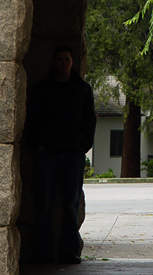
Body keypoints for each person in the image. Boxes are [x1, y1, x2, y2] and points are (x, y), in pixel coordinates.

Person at [26, 45, 96, 264]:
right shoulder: (42, 89)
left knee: (71, 204)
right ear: (54, 62)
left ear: (72, 62)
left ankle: (69, 250)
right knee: (44, 204)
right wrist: (38, 145)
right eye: (60, 59)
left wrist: (82, 146)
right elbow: (33, 119)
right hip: (47, 154)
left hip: (72, 155)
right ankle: (42, 251)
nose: (64, 63)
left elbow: (89, 120)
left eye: (67, 59)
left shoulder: (83, 90)